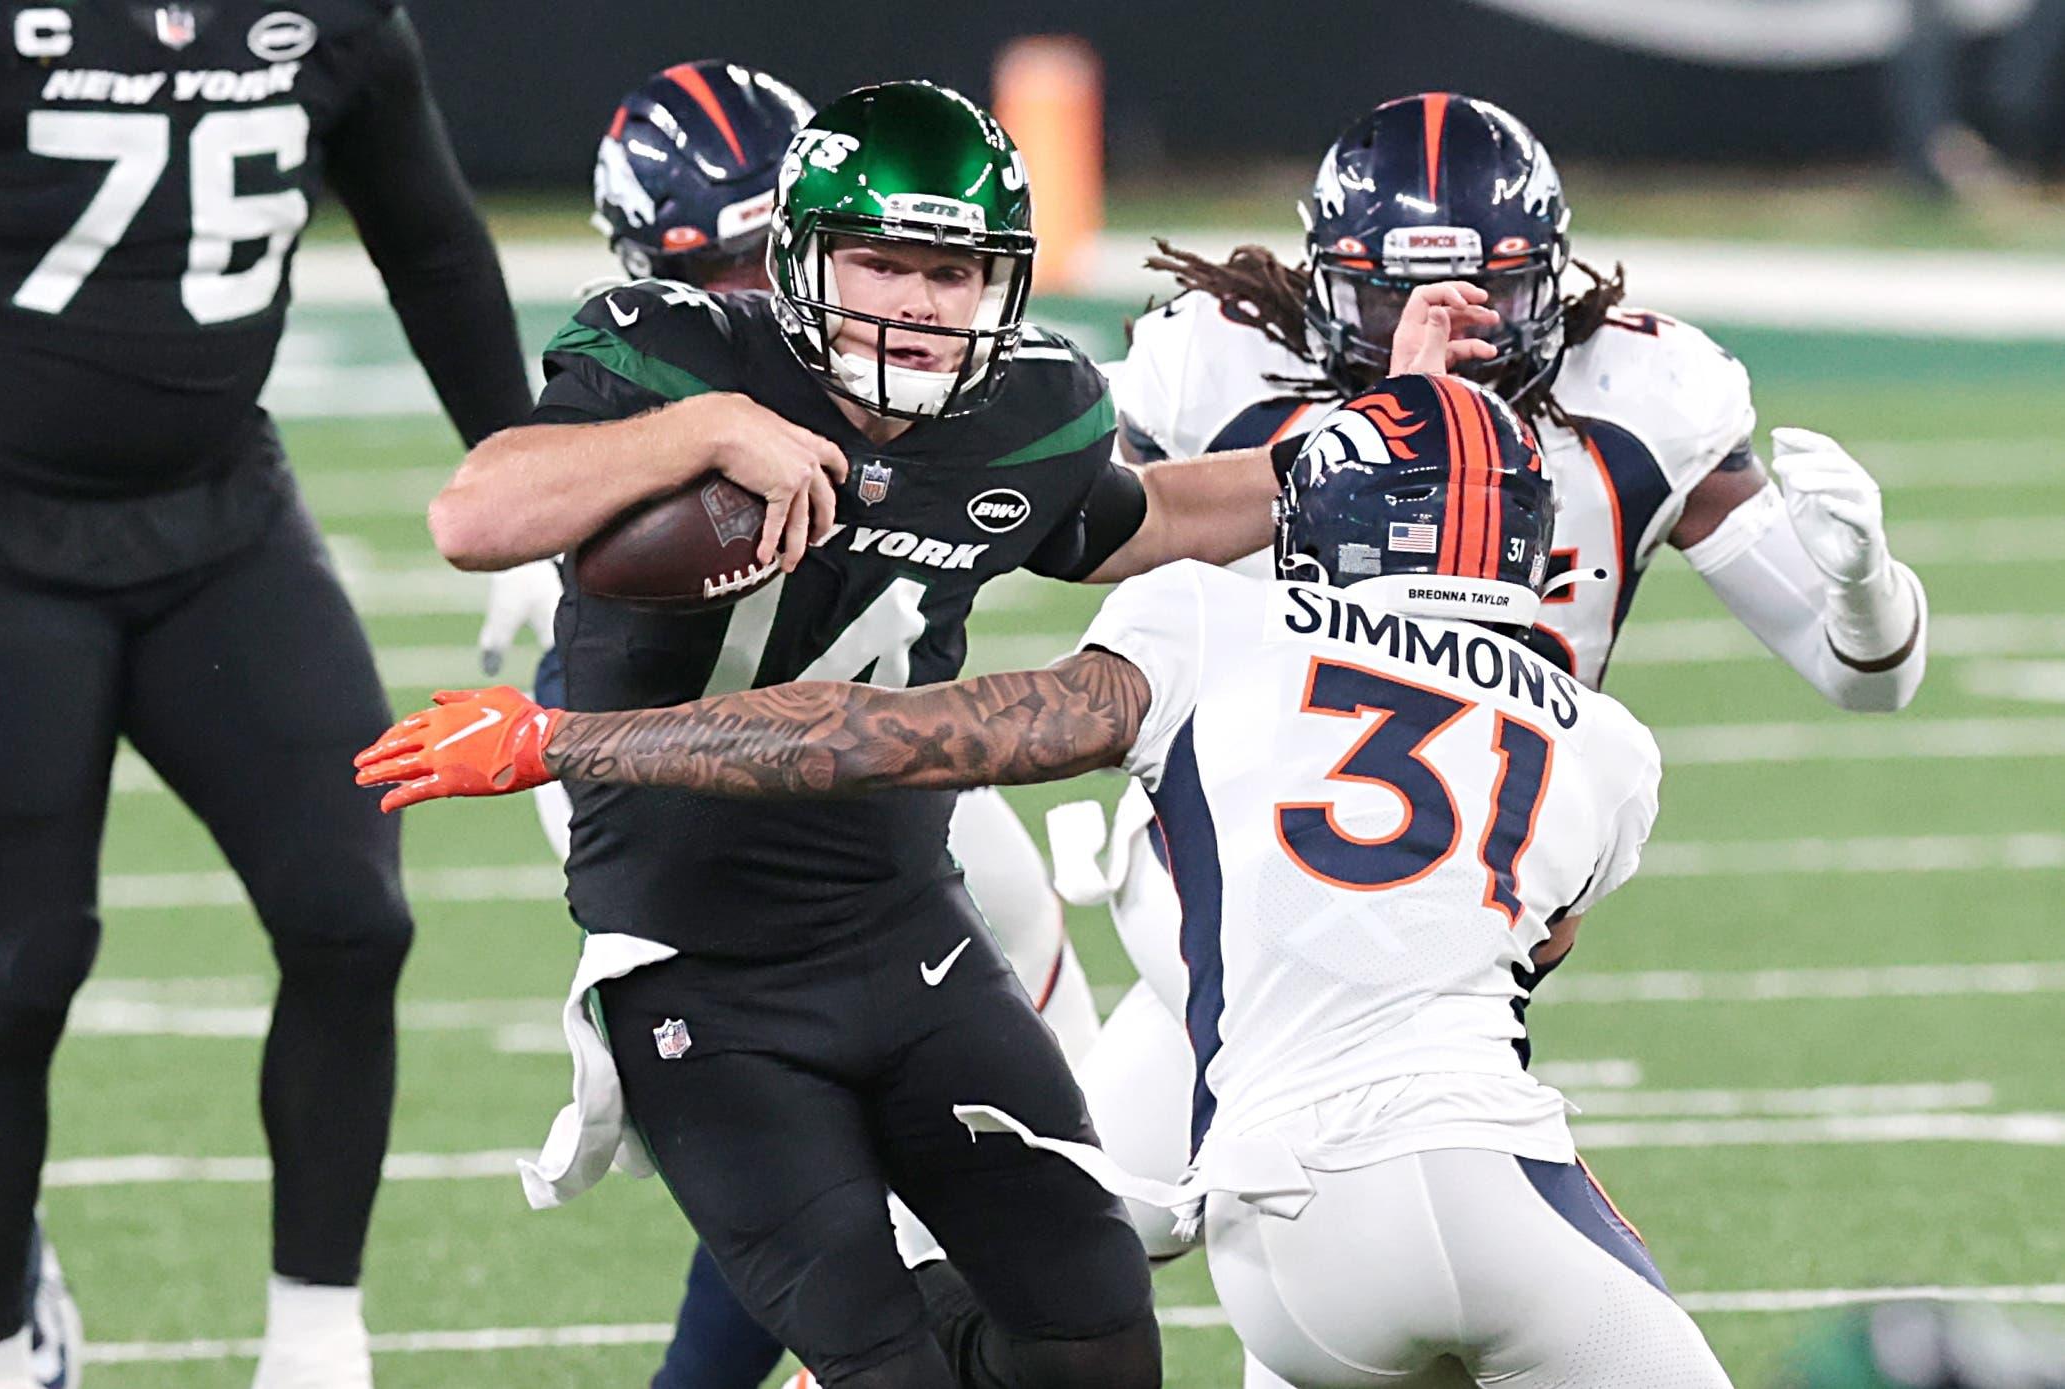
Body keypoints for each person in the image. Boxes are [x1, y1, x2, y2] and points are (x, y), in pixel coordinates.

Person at [353, 371, 1735, 1387]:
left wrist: (565, 739)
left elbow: (871, 734)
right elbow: (1519, 949)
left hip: (1274, 1227)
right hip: (1488, 1182)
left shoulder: (1212, 617)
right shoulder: (1606, 744)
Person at [406, 80, 1288, 1389]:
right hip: (700, 970)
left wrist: (1356, 457)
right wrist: (709, 431)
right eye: (885, 265)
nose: (920, 304)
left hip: (904, 934)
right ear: (803, 257)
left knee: (1097, 1352)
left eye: (953, 271)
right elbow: (473, 515)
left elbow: (1132, 524)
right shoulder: (685, 350)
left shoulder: (1028, 408)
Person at [1050, 97, 1929, 1385]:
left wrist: (1860, 586)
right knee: (1091, 1237)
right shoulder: (1221, 368)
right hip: (1237, 879)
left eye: (1494, 293)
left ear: (1552, 284)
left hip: (1468, 898)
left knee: (1191, 1244)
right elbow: (1103, 553)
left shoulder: (1645, 394)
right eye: (1404, 295)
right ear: (1324, 285)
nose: (1459, 322)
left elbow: (1864, 677)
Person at [0, 4, 532, 1388]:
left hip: (219, 520)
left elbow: (435, 245)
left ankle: (315, 1334)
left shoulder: (335, 22)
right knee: (12, 969)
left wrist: (523, 484)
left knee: (352, 915)